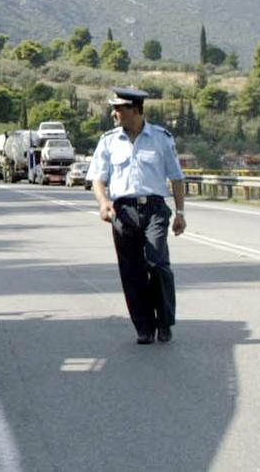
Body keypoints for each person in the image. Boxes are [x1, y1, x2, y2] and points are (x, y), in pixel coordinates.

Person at [86, 88, 186, 345]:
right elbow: (98, 178)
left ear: (135, 110)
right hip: (123, 210)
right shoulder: (108, 141)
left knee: (157, 263)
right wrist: (103, 203)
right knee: (131, 270)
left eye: (119, 108)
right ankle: (144, 327)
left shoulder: (161, 138)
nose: (114, 113)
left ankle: (164, 322)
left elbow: (177, 177)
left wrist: (180, 213)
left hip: (154, 208)